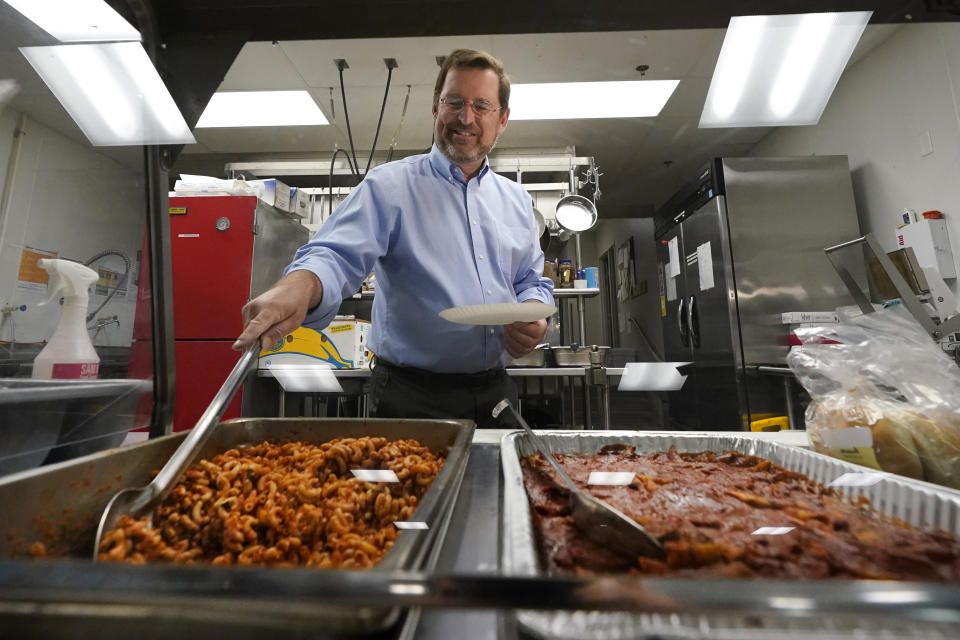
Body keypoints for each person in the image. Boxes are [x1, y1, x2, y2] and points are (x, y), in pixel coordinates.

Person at [233, 48, 553, 427]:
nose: (466, 118)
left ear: (502, 119)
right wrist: (299, 286)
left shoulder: (516, 201)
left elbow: (530, 281)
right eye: (455, 102)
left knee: (500, 486)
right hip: (412, 396)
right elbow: (334, 255)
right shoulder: (390, 186)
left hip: (496, 392)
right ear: (436, 107)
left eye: (482, 106)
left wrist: (534, 316)